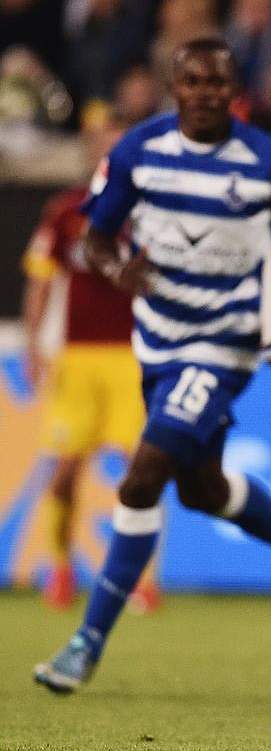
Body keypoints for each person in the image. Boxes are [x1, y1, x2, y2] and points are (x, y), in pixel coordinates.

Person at [33, 37, 271, 695]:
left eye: (218, 83)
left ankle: (86, 642)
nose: (205, 93)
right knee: (200, 486)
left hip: (224, 347)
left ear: (234, 92)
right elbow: (94, 238)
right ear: (172, 88)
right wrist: (119, 268)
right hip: (155, 347)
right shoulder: (137, 153)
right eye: (193, 82)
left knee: (143, 474)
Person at [20, 120, 158, 613]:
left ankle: (140, 579)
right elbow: (40, 280)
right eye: (104, 143)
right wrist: (32, 343)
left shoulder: (150, 211)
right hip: (77, 358)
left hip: (132, 355)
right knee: (65, 471)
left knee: (140, 471)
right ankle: (60, 567)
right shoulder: (65, 212)